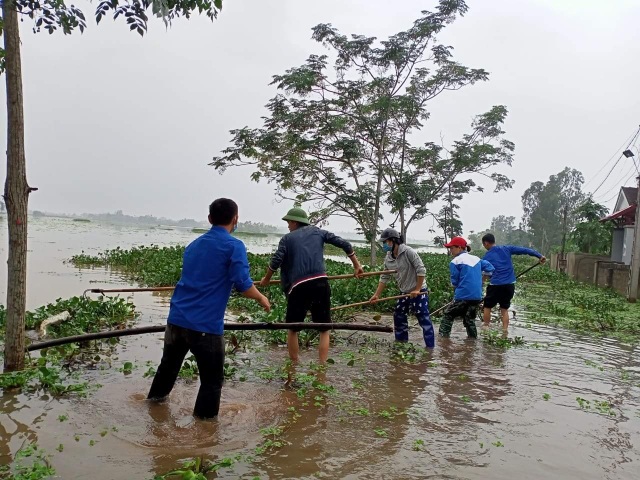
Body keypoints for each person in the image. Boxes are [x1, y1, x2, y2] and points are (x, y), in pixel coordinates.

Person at [147, 198, 270, 419]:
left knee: (167, 370)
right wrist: (261, 298)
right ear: (235, 219)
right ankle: (204, 432)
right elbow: (243, 285)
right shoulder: (234, 246)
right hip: (205, 327)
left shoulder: (194, 245)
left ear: (210, 219)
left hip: (176, 320)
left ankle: (152, 410)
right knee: (212, 382)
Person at [259, 207, 364, 363]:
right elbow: (345, 244)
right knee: (324, 329)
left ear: (294, 222)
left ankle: (294, 365)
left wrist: (266, 279)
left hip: (299, 287)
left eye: (288, 222)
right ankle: (321, 367)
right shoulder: (319, 232)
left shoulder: (287, 239)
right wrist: (357, 265)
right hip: (321, 283)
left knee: (293, 329)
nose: (288, 225)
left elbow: (276, 261)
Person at [369, 228, 435, 349]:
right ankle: (401, 344)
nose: (384, 245)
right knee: (398, 315)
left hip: (419, 292)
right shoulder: (388, 256)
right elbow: (384, 276)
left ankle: (430, 349)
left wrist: (417, 289)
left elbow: (421, 270)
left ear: (392, 241)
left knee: (423, 319)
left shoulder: (408, 251)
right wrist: (376, 295)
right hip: (404, 292)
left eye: (385, 242)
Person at [481, 233, 546, 332]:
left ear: (486, 243)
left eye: (484, 245)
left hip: (495, 285)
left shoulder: (487, 256)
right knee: (504, 309)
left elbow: (486, 274)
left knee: (487, 306)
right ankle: (505, 331)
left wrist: (481, 282)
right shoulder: (507, 248)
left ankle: (485, 328)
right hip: (509, 285)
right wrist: (539, 256)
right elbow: (526, 250)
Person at [439, 236, 494, 339]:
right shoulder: (477, 259)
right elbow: (490, 268)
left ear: (459, 248)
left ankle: (443, 340)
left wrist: (456, 295)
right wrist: (483, 280)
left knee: (448, 315)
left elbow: (455, 281)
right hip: (477, 296)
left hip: (463, 295)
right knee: (469, 319)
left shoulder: (455, 262)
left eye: (452, 248)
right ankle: (472, 341)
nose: (450, 251)